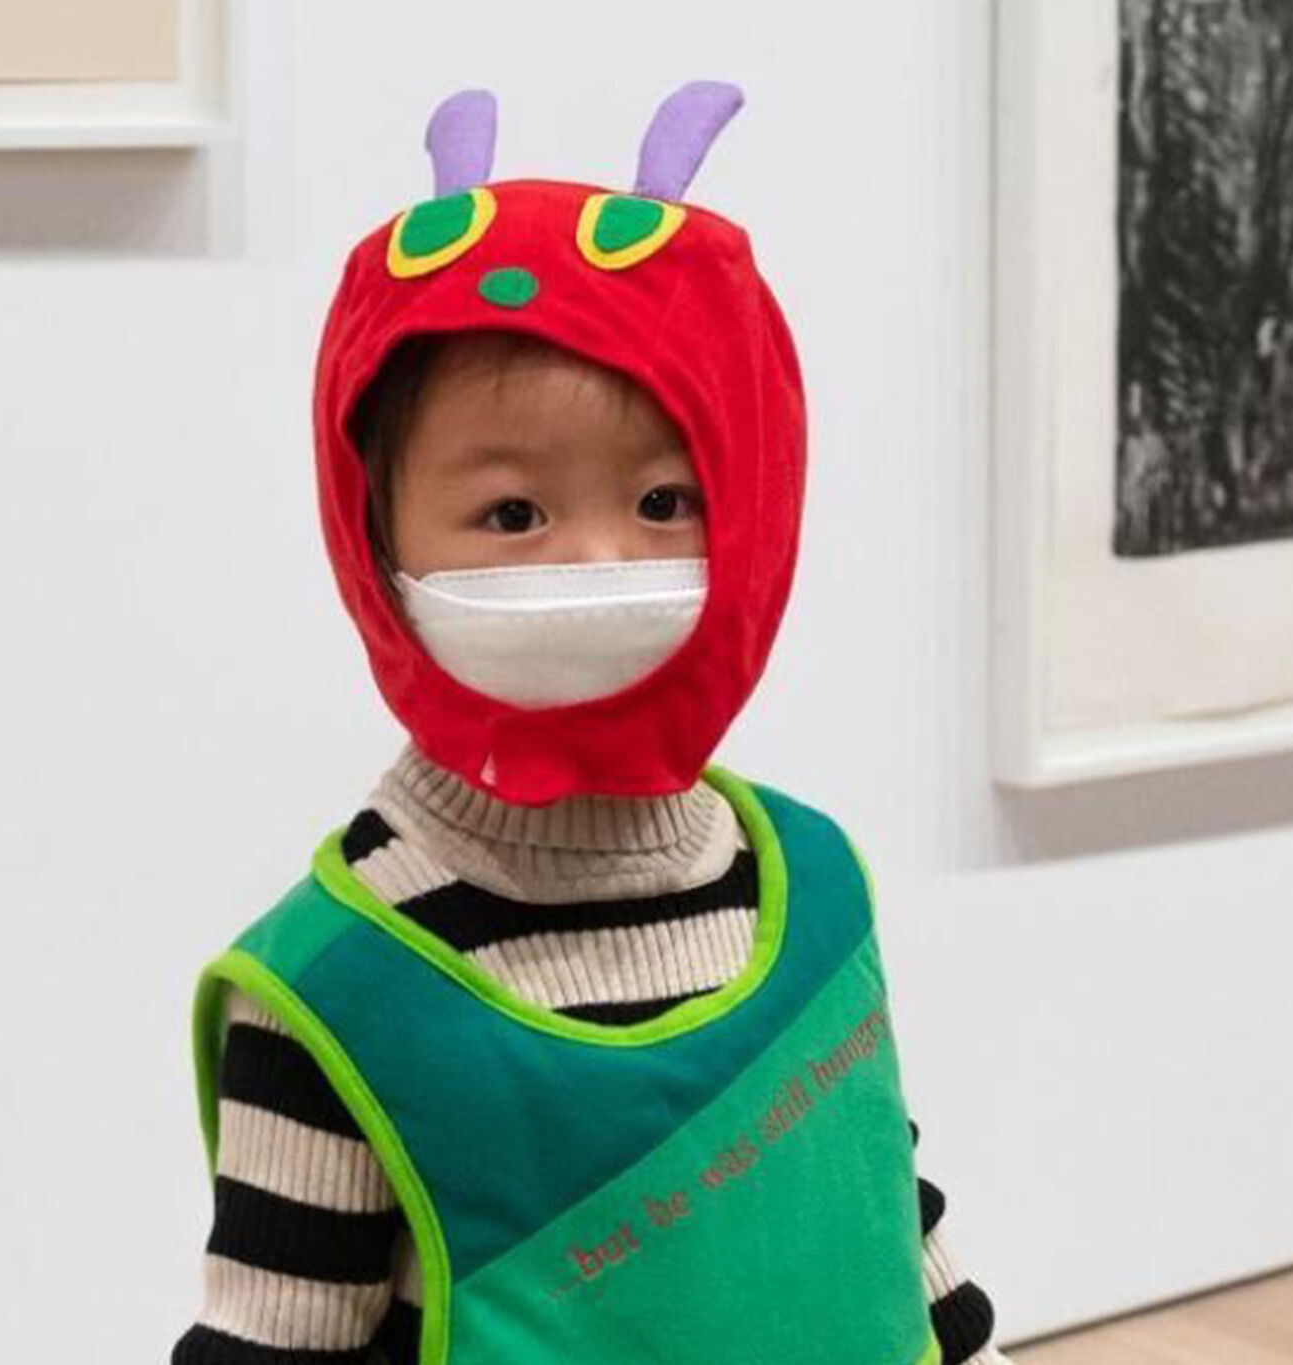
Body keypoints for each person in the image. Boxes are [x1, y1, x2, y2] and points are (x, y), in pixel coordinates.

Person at [170, 82, 1013, 1365]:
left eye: (666, 499)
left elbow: (884, 1219)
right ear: (372, 532)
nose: (595, 560)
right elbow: (270, 1342)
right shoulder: (335, 990)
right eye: (512, 516)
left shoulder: (814, 890)